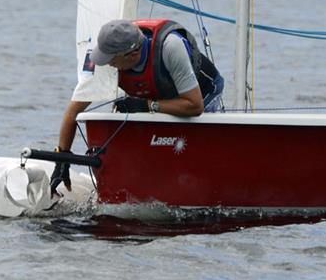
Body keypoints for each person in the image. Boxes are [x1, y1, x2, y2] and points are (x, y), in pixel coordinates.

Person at [51, 19, 223, 194]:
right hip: (155, 93)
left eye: (111, 60)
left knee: (179, 141)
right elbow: (73, 111)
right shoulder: (109, 55)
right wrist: (62, 158)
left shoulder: (170, 47)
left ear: (132, 54)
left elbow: (194, 106)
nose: (107, 64)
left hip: (200, 91)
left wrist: (148, 105)